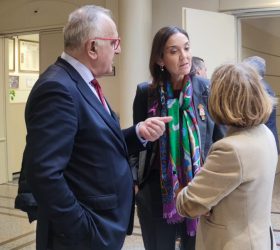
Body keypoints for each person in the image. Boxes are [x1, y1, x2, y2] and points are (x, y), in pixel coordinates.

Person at [15, 5, 170, 250]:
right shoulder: (57, 89)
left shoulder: (81, 82)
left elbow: (92, 143)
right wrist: (83, 230)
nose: (119, 50)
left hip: (100, 226)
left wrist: (137, 133)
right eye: (115, 42)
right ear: (93, 47)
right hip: (81, 237)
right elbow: (44, 174)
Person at [132, 26, 224, 250]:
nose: (184, 56)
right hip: (157, 188)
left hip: (197, 186)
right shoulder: (146, 93)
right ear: (160, 59)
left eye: (186, 48)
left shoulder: (206, 89)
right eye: (174, 51)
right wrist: (136, 183)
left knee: (195, 246)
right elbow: (137, 143)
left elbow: (218, 139)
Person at [176, 63, 278, 250]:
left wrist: (181, 190)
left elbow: (189, 204)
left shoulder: (230, 149)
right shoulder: (265, 133)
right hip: (260, 239)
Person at [243, 56, 280, 153]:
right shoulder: (263, 86)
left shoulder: (261, 89)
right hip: (266, 141)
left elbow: (255, 118)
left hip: (263, 142)